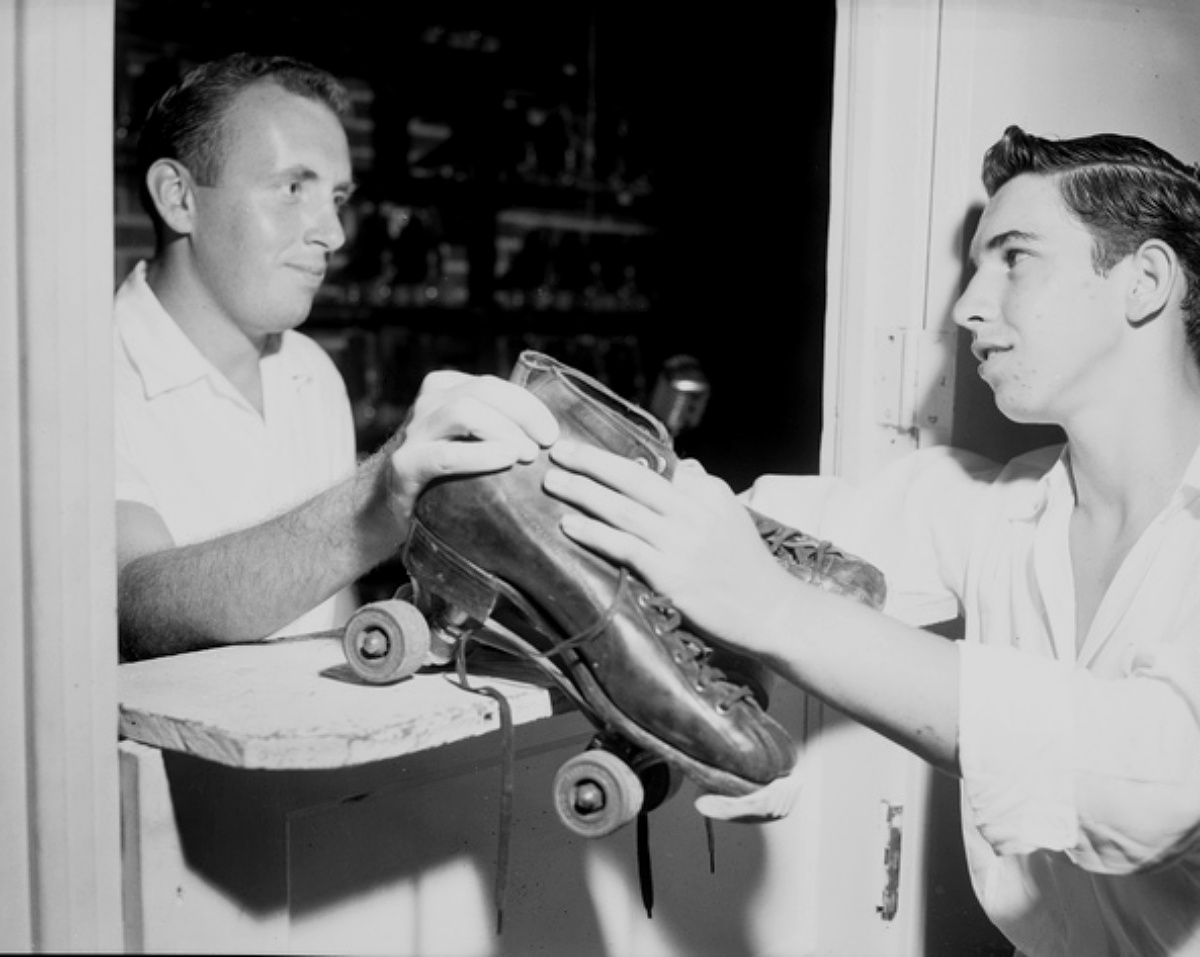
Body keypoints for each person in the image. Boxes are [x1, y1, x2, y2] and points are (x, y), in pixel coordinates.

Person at [538, 126, 1200, 955]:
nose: (966, 306)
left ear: (1143, 281)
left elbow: (1155, 778)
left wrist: (776, 613)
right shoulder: (1001, 509)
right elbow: (761, 535)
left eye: (1014, 257)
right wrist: (544, 455)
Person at [115, 52, 557, 662]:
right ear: (178, 198)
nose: (334, 234)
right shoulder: (83, 375)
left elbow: (329, 619)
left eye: (338, 198)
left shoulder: (311, 372)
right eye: (294, 188)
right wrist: (379, 499)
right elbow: (130, 608)